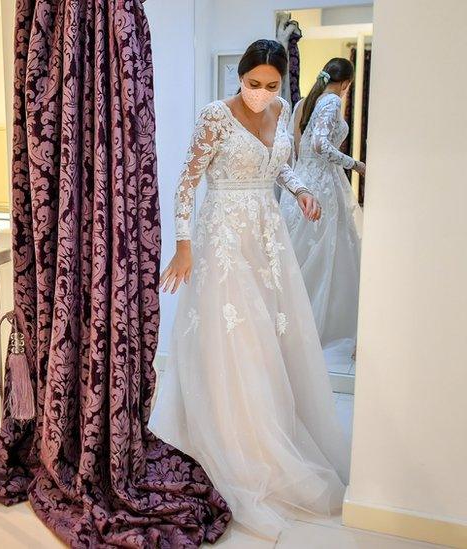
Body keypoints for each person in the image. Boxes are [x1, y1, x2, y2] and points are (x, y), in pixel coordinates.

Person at [149, 40, 350, 540]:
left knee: (272, 342)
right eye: (253, 84)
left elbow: (275, 165)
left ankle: (271, 436)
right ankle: (234, 444)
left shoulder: (282, 110)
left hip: (267, 234)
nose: (261, 94)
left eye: (271, 85)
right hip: (222, 235)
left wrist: (300, 188)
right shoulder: (215, 116)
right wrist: (184, 246)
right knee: (237, 339)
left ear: (281, 86)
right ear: (240, 78)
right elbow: (184, 183)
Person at [280, 58, 363, 367]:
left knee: (299, 253)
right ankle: (314, 326)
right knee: (327, 255)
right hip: (321, 186)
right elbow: (319, 145)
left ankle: (288, 324)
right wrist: (355, 164)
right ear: (346, 83)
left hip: (302, 182)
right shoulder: (330, 100)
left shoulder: (307, 101)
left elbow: (297, 146)